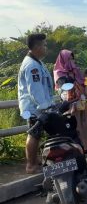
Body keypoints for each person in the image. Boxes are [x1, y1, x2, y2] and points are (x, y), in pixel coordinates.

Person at [18, 33, 54, 174]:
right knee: (34, 134)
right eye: (44, 45)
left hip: (39, 107)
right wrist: (45, 106)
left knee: (37, 134)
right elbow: (35, 90)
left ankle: (35, 160)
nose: (46, 48)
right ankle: (31, 165)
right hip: (34, 108)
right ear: (37, 47)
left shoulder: (37, 62)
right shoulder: (31, 65)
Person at [53, 49, 87, 154]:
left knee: (86, 122)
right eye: (69, 59)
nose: (71, 61)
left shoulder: (75, 70)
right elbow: (64, 87)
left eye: (72, 59)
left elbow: (83, 82)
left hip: (81, 98)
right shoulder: (59, 72)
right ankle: (80, 147)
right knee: (77, 124)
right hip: (71, 100)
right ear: (63, 59)